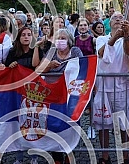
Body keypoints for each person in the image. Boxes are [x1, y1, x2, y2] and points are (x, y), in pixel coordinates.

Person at [34, 28, 83, 164]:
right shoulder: (51, 52)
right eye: (58, 38)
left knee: (70, 125)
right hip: (53, 96)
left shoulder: (75, 51)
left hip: (70, 95)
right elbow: (38, 70)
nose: (61, 41)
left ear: (69, 40)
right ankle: (57, 158)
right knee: (54, 125)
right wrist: (49, 66)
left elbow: (82, 67)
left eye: (63, 38)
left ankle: (69, 155)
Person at [93, 12, 129, 164]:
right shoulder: (101, 39)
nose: (118, 20)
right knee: (103, 123)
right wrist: (115, 37)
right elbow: (102, 54)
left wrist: (126, 36)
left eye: (120, 18)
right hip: (103, 87)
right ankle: (105, 156)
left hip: (122, 87)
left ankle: (125, 156)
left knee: (124, 123)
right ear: (109, 23)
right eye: (114, 18)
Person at [4, 26, 39, 164]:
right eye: (23, 34)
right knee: (18, 125)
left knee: (32, 124)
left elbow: (37, 65)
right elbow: (6, 69)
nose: (26, 37)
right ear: (18, 37)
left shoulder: (36, 50)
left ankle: (34, 156)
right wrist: (11, 66)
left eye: (29, 34)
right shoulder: (13, 52)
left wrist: (36, 47)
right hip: (16, 93)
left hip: (33, 93)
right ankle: (19, 157)